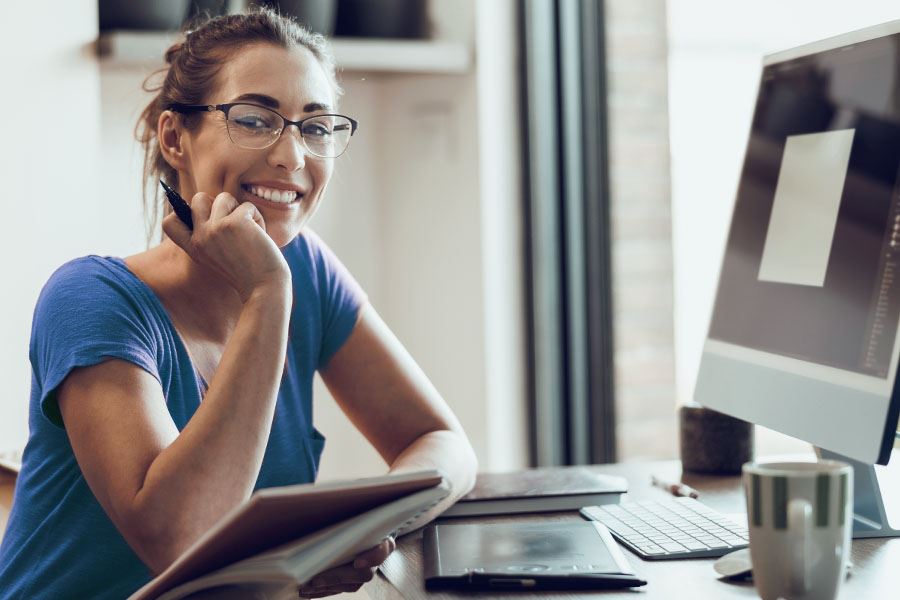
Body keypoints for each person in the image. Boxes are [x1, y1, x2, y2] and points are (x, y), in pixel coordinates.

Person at [0, 8, 477, 599]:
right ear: (175, 137)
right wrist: (267, 294)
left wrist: (340, 537)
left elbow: (442, 443)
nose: (292, 157)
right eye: (255, 119)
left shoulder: (307, 268)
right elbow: (182, 543)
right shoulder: (91, 300)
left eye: (317, 126)